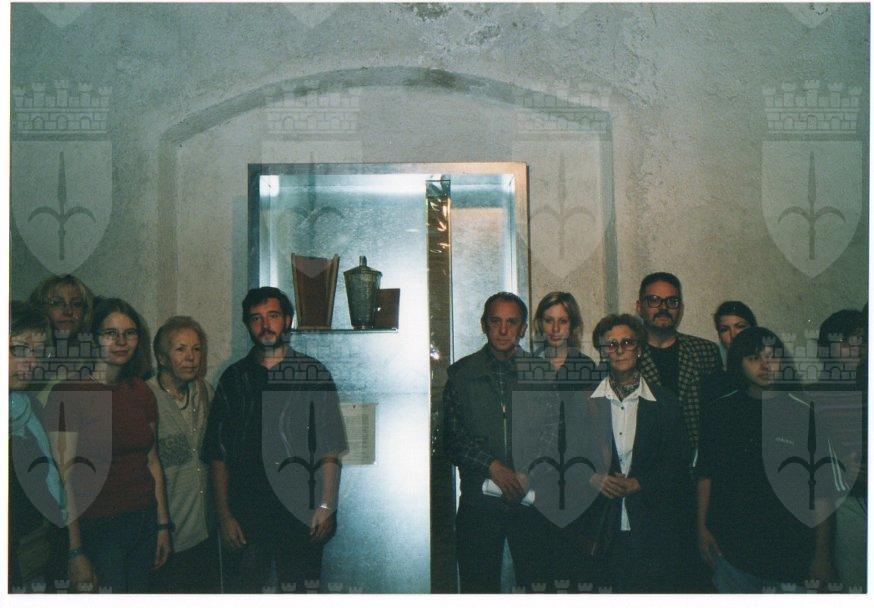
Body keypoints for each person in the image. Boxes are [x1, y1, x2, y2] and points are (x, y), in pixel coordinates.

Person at [202, 287, 347, 593]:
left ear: (288, 320)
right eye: (256, 318)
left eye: (273, 315)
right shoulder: (233, 379)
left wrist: (326, 504)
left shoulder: (312, 373)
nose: (265, 325)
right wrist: (224, 516)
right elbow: (218, 454)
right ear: (247, 324)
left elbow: (330, 448)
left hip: (302, 513)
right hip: (247, 515)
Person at [44, 298, 171, 593]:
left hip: (143, 520)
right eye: (110, 333)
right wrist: (75, 550)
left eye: (130, 333)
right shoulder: (68, 394)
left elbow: (152, 461)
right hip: (98, 529)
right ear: (92, 338)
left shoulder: (140, 391)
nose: (121, 342)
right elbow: (63, 479)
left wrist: (163, 526)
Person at [696, 327, 834, 593]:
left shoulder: (803, 412)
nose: (764, 365)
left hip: (791, 548)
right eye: (754, 358)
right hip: (732, 548)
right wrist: (701, 528)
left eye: (772, 357)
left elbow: (822, 492)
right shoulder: (720, 411)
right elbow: (706, 475)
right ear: (739, 363)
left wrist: (822, 556)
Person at [443, 292, 554, 593]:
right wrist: (493, 467)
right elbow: (453, 438)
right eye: (496, 321)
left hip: (531, 499)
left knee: (538, 587)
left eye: (512, 322)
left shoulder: (541, 374)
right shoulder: (461, 375)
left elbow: (554, 432)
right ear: (484, 324)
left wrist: (528, 472)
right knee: (478, 588)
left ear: (523, 328)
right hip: (479, 502)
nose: (503, 330)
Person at [584, 313, 687, 593]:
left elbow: (678, 462)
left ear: (639, 350)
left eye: (627, 343)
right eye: (611, 344)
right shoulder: (584, 403)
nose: (619, 350)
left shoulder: (665, 402)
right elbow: (566, 458)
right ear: (603, 352)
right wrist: (594, 478)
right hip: (599, 527)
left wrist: (638, 483)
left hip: (652, 527)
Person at [634, 272, 721, 591]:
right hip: (648, 484)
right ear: (640, 306)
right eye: (654, 300)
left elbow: (717, 420)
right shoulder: (626, 353)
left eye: (671, 301)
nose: (663, 308)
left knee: (697, 576)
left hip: (696, 482)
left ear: (680, 307)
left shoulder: (704, 352)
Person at [531, 292, 601, 590]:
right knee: (542, 563)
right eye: (549, 320)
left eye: (563, 321)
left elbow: (595, 425)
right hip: (539, 475)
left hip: (577, 476)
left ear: (573, 325)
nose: (556, 328)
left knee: (575, 564)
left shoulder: (584, 366)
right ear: (540, 324)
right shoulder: (529, 364)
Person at [146, 316, 219, 593]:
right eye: (180, 349)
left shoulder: (205, 391)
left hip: (205, 533)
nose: (191, 357)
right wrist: (160, 529)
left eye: (196, 349)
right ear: (162, 358)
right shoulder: (146, 397)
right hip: (168, 536)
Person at [9, 302, 65, 592]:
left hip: (34, 546)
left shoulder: (27, 406)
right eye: (19, 349)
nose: (31, 362)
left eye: (39, 352)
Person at [810, 309, 867, 592]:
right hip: (848, 502)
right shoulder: (817, 395)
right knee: (855, 582)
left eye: (861, 339)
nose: (855, 348)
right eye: (845, 341)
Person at [28, 275, 97, 394]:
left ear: (85, 312)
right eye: (57, 303)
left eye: (76, 304)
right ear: (40, 309)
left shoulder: (98, 358)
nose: (68, 311)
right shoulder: (25, 356)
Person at [699, 301, 758, 407]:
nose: (733, 335)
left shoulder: (771, 372)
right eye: (725, 329)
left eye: (740, 326)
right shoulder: (713, 383)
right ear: (719, 335)